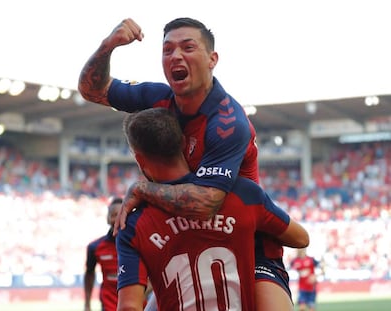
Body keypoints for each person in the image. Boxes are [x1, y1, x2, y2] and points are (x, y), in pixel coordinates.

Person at [78, 17, 293, 310]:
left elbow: (206, 203)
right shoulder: (158, 98)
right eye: (167, 50)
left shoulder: (227, 122)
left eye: (187, 47)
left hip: (246, 244)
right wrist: (108, 46)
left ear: (212, 59)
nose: (176, 56)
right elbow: (93, 90)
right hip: (183, 237)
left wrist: (142, 190)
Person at [116, 107, 309, 311]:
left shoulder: (134, 225)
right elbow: (301, 239)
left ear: (139, 159)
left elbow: (129, 307)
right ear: (183, 143)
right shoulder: (242, 193)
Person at [84, 197, 123, 311]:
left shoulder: (140, 244)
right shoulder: (95, 247)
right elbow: (89, 274)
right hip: (109, 304)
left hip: (138, 304)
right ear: (107, 218)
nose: (117, 219)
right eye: (114, 215)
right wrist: (87, 304)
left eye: (121, 214)